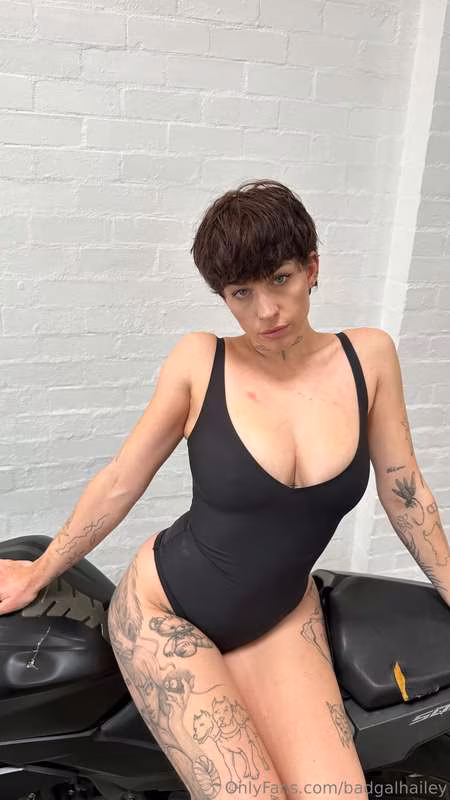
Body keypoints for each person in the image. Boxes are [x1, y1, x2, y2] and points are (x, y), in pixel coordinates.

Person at [1, 179, 449, 800]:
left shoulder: (368, 359)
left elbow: (405, 491)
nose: (267, 311)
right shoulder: (200, 361)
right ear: (224, 296)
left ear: (312, 269)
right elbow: (122, 478)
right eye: (242, 293)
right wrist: (41, 569)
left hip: (281, 611)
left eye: (281, 279)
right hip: (168, 612)